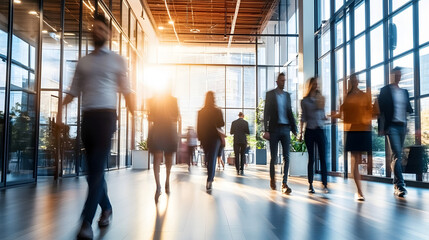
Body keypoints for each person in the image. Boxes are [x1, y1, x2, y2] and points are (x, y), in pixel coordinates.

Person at [61, 14, 135, 239]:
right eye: (94, 29)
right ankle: (107, 207)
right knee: (90, 171)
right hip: (88, 119)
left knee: (96, 169)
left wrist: (136, 118)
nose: (97, 32)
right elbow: (73, 91)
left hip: (106, 118)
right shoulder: (83, 62)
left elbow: (127, 91)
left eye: (102, 29)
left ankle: (85, 223)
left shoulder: (118, 60)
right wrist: (58, 109)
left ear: (109, 33)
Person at [332, 74, 372, 200]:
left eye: (356, 80)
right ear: (351, 82)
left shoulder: (364, 95)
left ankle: (360, 186)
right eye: (352, 80)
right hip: (352, 130)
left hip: (363, 130)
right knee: (354, 160)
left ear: (358, 81)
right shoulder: (346, 97)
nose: (354, 82)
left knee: (363, 160)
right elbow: (341, 114)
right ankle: (359, 191)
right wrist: (332, 116)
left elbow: (369, 111)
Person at [377, 67, 413, 197]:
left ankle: (396, 183)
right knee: (397, 154)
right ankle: (400, 186)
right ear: (391, 75)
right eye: (396, 75)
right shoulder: (385, 91)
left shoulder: (404, 92)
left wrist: (413, 127)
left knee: (397, 156)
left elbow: (409, 109)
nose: (399, 77)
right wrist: (380, 127)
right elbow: (380, 112)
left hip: (402, 126)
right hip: (391, 126)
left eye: (400, 75)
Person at [263, 73, 297, 194]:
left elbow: (290, 113)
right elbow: (266, 113)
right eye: (281, 81)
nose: (283, 82)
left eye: (284, 81)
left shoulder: (287, 96)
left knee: (286, 157)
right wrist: (265, 130)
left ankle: (284, 183)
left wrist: (294, 129)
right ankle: (272, 179)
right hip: (274, 129)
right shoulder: (270, 94)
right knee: (273, 157)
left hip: (286, 129)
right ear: (277, 81)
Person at [147, 90, 180, 202]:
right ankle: (166, 181)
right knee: (168, 158)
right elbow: (176, 117)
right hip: (169, 130)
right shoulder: (173, 100)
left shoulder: (153, 100)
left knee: (157, 157)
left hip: (157, 130)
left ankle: (158, 186)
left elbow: (150, 118)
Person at [299, 77, 329, 194]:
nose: (317, 86)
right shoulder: (304, 101)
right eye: (314, 84)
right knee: (311, 159)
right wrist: (300, 133)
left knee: (323, 158)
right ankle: (310, 184)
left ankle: (325, 184)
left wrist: (326, 117)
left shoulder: (320, 98)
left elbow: (322, 115)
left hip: (320, 130)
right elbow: (303, 118)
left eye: (317, 84)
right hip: (310, 131)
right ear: (310, 85)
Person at [197, 91, 225, 191]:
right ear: (214, 98)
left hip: (205, 138)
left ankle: (210, 176)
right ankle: (209, 180)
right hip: (215, 137)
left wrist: (200, 140)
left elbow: (199, 127)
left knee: (208, 157)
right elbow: (221, 123)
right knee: (212, 158)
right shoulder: (218, 111)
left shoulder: (200, 112)